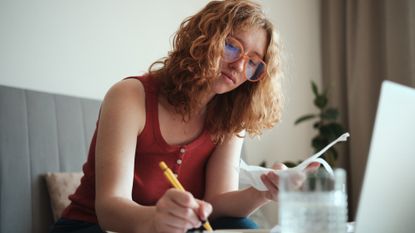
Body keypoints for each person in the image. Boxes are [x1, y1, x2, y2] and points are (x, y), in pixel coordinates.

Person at [49, 0, 288, 232]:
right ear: (204, 39)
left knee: (243, 227)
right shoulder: (130, 96)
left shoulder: (232, 117)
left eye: (254, 63)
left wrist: (263, 192)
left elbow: (216, 205)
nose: (239, 66)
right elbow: (109, 209)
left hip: (177, 228)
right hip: (91, 226)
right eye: (232, 46)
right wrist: (156, 220)